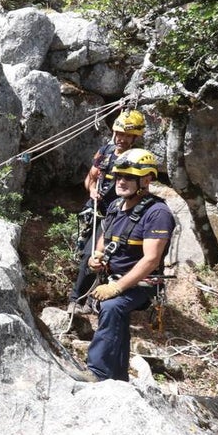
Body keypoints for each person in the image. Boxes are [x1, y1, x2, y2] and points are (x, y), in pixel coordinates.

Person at [79, 148, 174, 381]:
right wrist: (96, 256)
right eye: (119, 176)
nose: (121, 181)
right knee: (114, 315)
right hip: (113, 277)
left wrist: (117, 287)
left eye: (129, 177)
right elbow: (104, 237)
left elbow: (151, 259)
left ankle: (98, 372)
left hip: (141, 283)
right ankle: (118, 376)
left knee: (113, 307)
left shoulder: (157, 213)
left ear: (146, 179)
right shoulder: (115, 206)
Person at [68, 109, 146, 311]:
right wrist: (93, 191)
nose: (122, 139)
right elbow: (91, 178)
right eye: (119, 134)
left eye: (127, 135)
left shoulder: (137, 159)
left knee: (94, 255)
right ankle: (88, 298)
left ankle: (77, 301)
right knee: (85, 255)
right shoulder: (105, 152)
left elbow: (142, 189)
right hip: (96, 209)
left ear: (135, 137)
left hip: (117, 214)